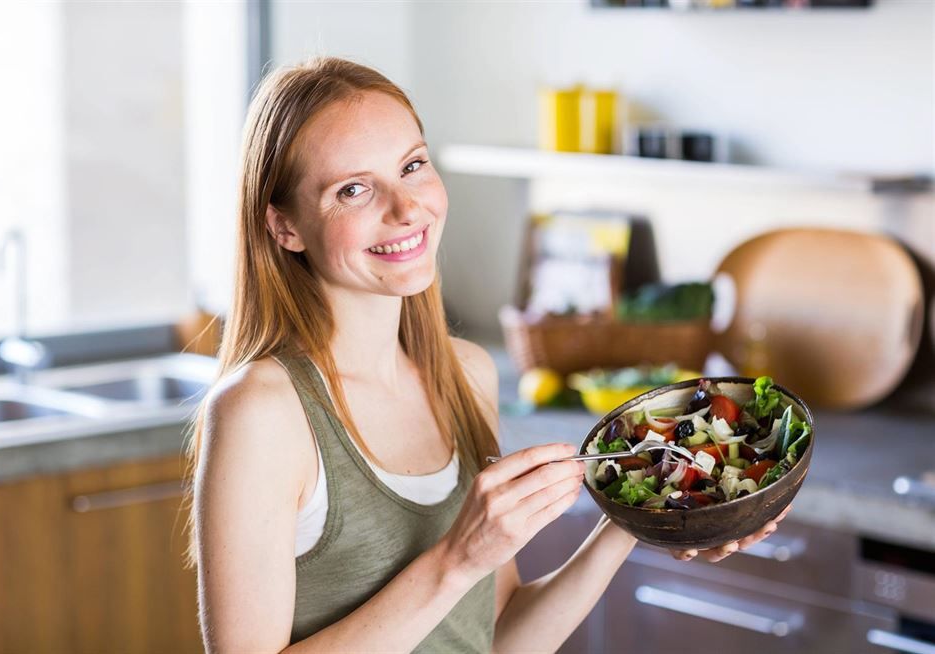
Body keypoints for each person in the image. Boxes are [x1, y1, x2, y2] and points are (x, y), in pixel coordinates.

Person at [186, 56, 787, 653]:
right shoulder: (261, 411)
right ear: (284, 226)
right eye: (353, 189)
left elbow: (498, 640)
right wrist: (456, 558)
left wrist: (644, 514)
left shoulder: (464, 375)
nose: (406, 208)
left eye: (413, 166)